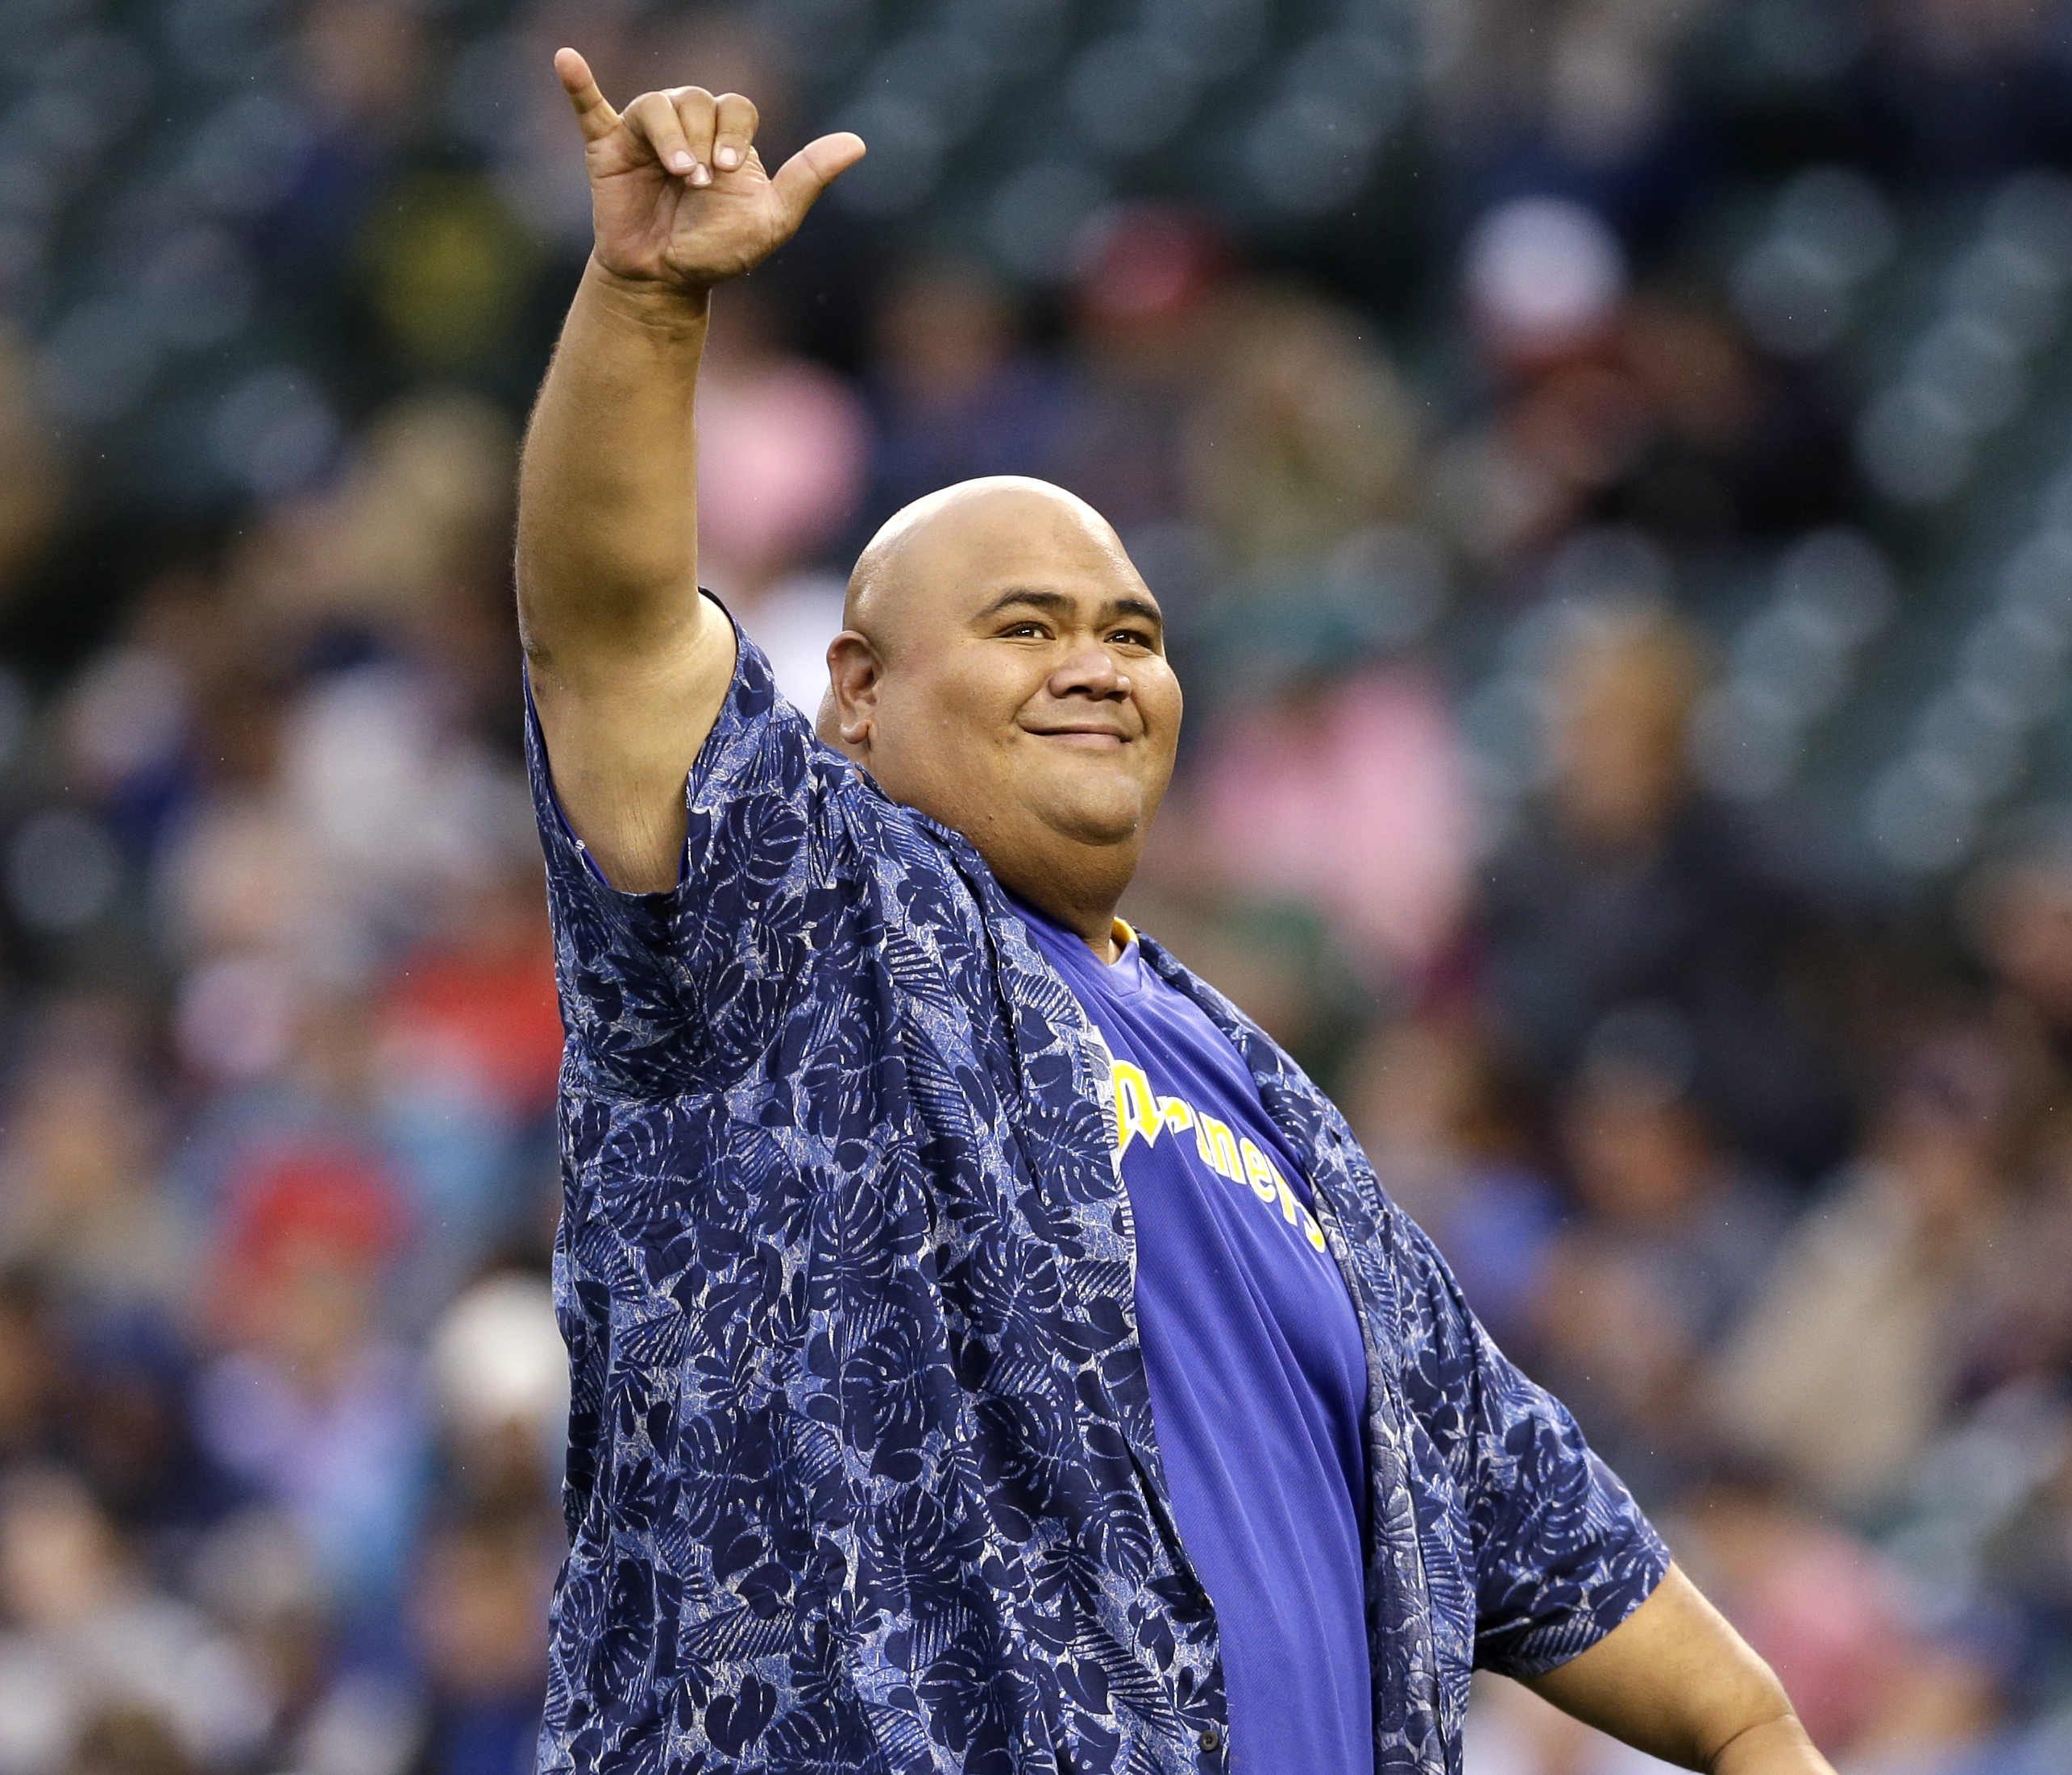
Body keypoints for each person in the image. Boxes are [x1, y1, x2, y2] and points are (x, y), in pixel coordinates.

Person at [517, 48, 1838, 1775]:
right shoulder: (794, 919)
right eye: (1023, 628)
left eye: (1132, 636)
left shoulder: (1268, 1100)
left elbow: (1533, 1513)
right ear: (851, 694)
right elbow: (604, 632)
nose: (1095, 669)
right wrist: (644, 301)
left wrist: (1753, 1733)